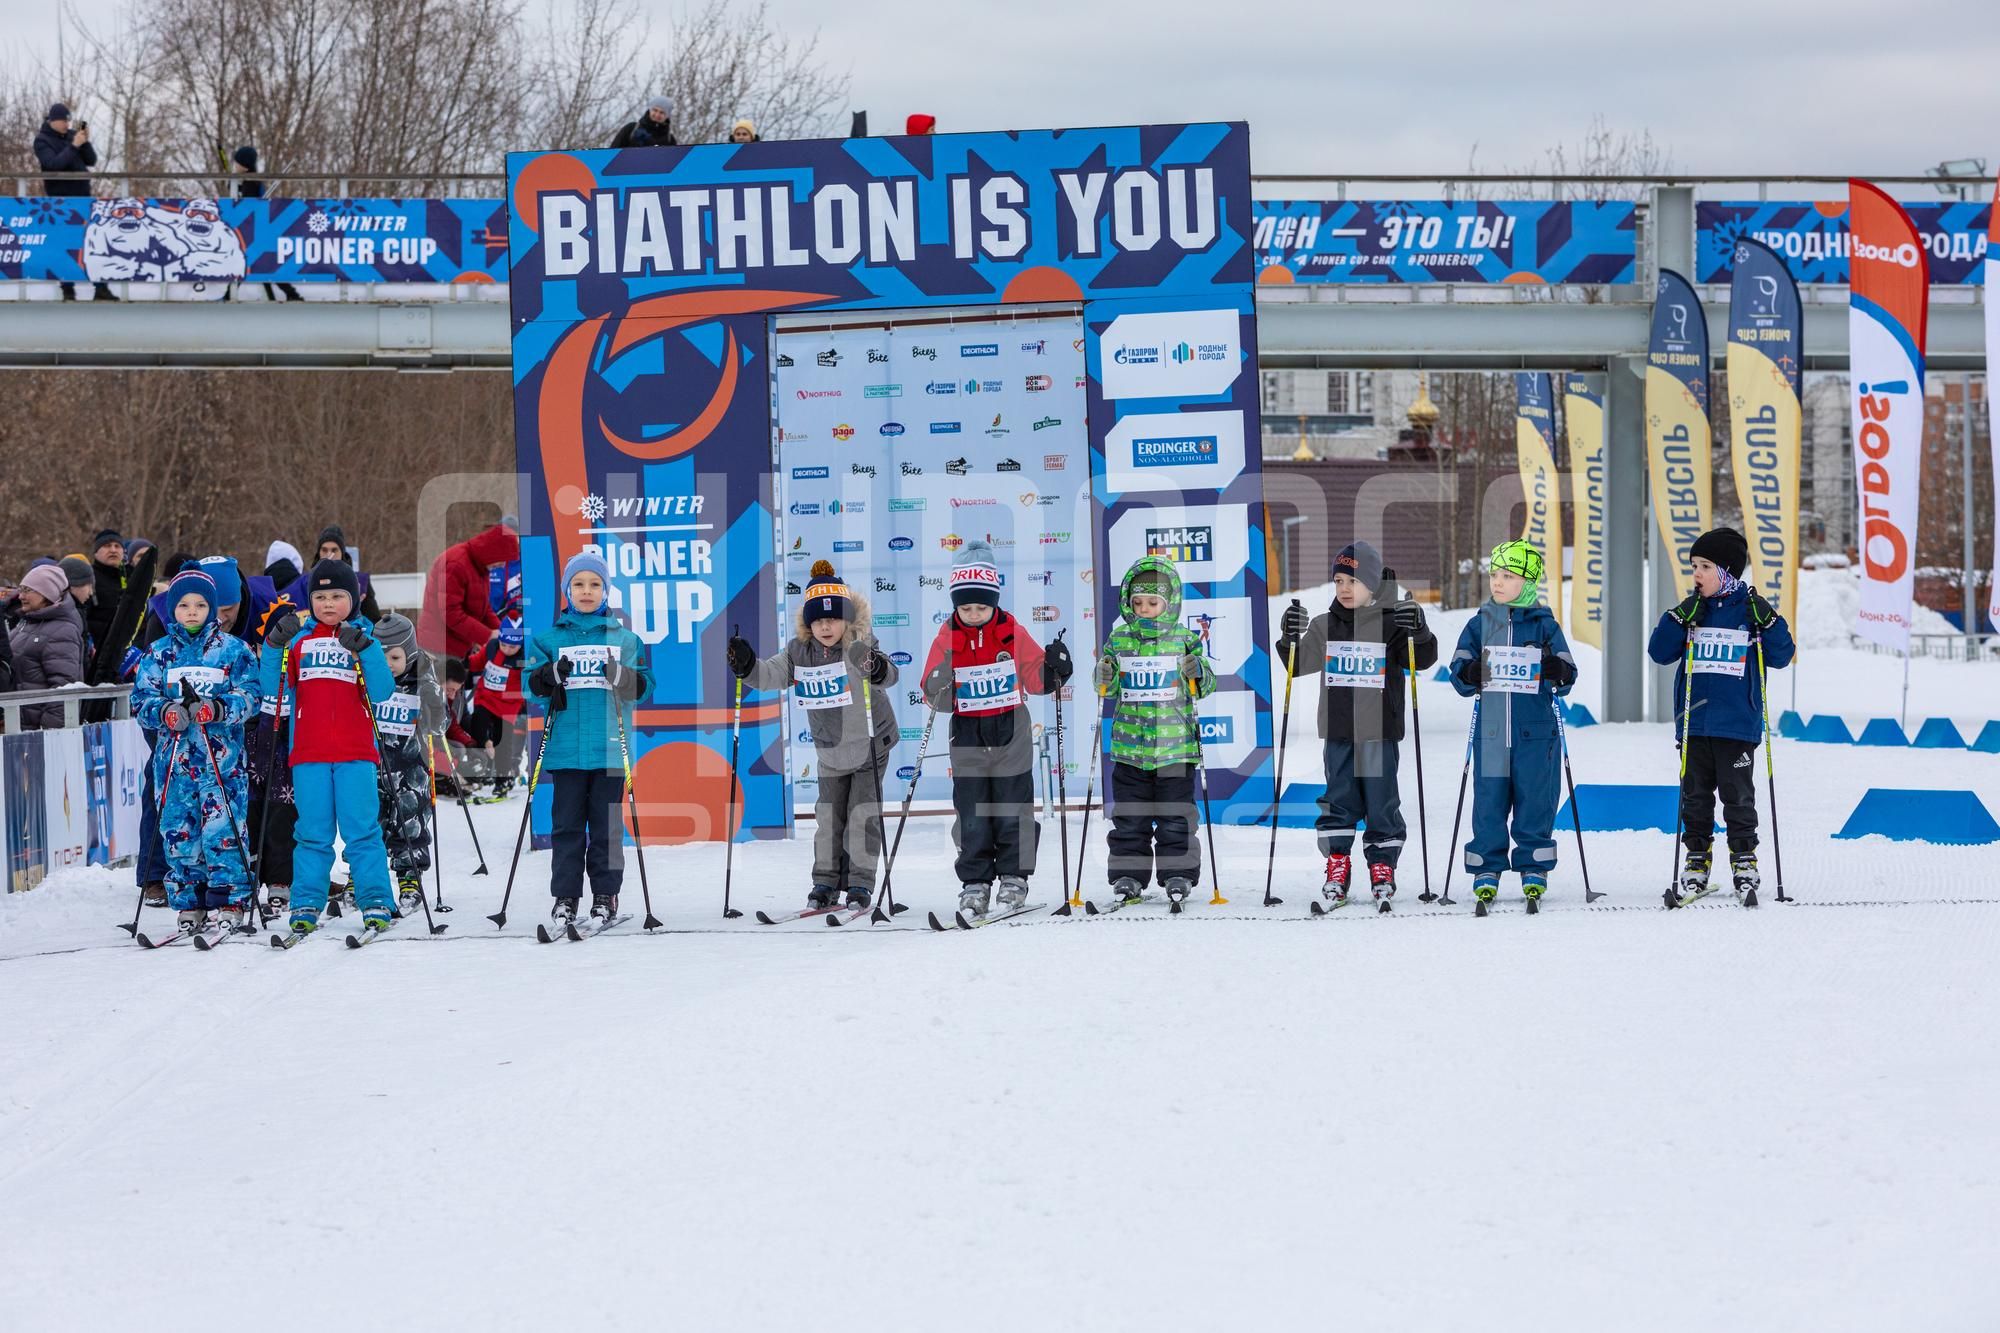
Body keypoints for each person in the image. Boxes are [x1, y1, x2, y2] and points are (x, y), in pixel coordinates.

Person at [1275, 540, 1438, 908]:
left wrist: (1419, 630)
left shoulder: (1393, 623)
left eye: (1352, 581)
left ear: (1373, 584)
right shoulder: (1324, 625)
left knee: (1382, 803)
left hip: (1380, 733)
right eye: (1338, 582)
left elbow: (1422, 660)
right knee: (1339, 801)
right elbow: (1296, 666)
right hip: (1339, 733)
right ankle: (1338, 865)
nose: (1344, 589)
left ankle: (1383, 867)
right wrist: (1288, 638)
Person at [727, 561, 896, 912]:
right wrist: (748, 666)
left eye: (833, 619)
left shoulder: (860, 643)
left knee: (862, 814)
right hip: (830, 749)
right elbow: (770, 674)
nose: (826, 626)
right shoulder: (798, 651)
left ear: (847, 619)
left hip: (869, 745)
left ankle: (860, 885)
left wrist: (877, 667)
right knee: (829, 818)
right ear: (808, 623)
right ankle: (825, 882)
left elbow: (889, 673)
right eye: (818, 620)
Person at [919, 540, 1072, 917]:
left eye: (981, 607)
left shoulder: (1011, 631)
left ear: (995, 602)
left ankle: (1014, 878)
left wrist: (1055, 668)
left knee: (1013, 806)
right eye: (966, 607)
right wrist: (938, 683)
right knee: (971, 809)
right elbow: (932, 693)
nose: (973, 614)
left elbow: (1037, 679)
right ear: (956, 604)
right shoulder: (947, 636)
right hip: (968, 731)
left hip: (1010, 730)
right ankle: (975, 882)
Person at [1646, 527, 1796, 904]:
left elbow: (1781, 656)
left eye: (1705, 566)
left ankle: (1744, 857)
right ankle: (1696, 858)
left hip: (1737, 725)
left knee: (1738, 796)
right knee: (1694, 797)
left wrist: (1771, 621)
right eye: (1694, 565)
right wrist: (1678, 617)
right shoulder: (1692, 613)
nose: (1696, 574)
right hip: (1695, 723)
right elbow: (1659, 652)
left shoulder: (1749, 613)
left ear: (1727, 571)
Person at [261, 559, 396, 938]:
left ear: (352, 599)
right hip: (309, 754)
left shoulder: (363, 636)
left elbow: (383, 691)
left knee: (362, 832)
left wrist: (366, 650)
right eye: (320, 597)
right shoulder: (299, 642)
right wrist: (274, 646)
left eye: (338, 596)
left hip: (355, 753)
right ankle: (305, 903)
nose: (329, 604)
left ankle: (375, 900)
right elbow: (271, 692)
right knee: (312, 833)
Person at [128, 566, 261, 936]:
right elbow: (141, 700)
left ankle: (231, 897)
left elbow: (251, 696)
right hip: (175, 764)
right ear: (172, 609)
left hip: (221, 763)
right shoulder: (158, 653)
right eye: (184, 605)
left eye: (200, 605)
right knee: (179, 832)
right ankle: (190, 900)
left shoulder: (234, 651)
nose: (191, 612)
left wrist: (217, 708)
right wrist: (166, 712)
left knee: (223, 831)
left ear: (213, 608)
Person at [522, 552, 652, 928]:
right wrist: (548, 675)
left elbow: (643, 687)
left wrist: (622, 676)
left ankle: (605, 895)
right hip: (565, 751)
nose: (586, 591)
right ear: (567, 591)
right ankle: (566, 897)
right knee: (566, 828)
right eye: (578, 584)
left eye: (595, 584)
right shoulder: (548, 639)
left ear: (607, 591)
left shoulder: (626, 640)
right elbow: (529, 687)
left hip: (611, 749)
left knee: (606, 828)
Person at [1446, 540, 1576, 913]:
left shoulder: (1545, 626)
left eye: (1508, 575)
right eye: (1495, 574)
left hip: (1536, 734)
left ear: (1529, 581)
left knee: (1536, 801)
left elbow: (1568, 677)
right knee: (1488, 803)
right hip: (1490, 733)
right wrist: (1469, 672)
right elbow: (1458, 675)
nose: (1497, 582)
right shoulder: (1479, 625)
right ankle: (1486, 867)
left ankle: (1534, 865)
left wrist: (1558, 670)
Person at [1091, 554, 1214, 908]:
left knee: (1176, 816)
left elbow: (1205, 685)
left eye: (1153, 602)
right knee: (1130, 818)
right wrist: (1103, 676)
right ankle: (1128, 875)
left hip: (1175, 750)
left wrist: (1197, 672)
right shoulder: (1119, 640)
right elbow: (1108, 688)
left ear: (1169, 603)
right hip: (1131, 750)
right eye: (1138, 602)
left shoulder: (1185, 639)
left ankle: (1179, 873)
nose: (1145, 608)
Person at [372, 612, 446, 914]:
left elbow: (439, 726)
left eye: (395, 657)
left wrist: (432, 701)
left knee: (409, 826)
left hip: (410, 770)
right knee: (369, 824)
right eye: (381, 657)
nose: (388, 664)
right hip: (372, 767)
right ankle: (361, 878)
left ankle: (409, 878)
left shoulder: (422, 681)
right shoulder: (369, 681)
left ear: (410, 654)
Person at [32, 103, 116, 301]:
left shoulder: (72, 136)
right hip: (59, 201)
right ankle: (67, 288)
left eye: (69, 120)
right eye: (64, 120)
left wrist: (84, 141)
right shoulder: (42, 140)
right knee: (65, 244)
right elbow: (53, 165)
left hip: (82, 197)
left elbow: (91, 160)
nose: (67, 124)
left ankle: (100, 287)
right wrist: (74, 146)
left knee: (92, 241)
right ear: (52, 120)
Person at [419, 520, 519, 664]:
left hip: (458, 645)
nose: (502, 566)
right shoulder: (456, 565)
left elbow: (483, 608)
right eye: (502, 561)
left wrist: (504, 630)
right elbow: (450, 613)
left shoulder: (480, 566)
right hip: (439, 648)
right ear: (493, 552)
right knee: (444, 686)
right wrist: (488, 635)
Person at [8, 563, 87, 728]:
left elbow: (64, 687)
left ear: (47, 593)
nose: (21, 596)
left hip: (34, 731)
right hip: (16, 723)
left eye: (28, 590)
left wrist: (49, 733)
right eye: (21, 589)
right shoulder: (26, 623)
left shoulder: (63, 630)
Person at [225, 145, 303, 303]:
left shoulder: (252, 182)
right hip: (251, 227)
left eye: (237, 162)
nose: (235, 165)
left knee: (254, 261)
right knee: (259, 262)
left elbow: (246, 204)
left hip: (255, 227)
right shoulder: (243, 181)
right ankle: (290, 293)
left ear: (244, 165)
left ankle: (229, 293)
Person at [464, 613, 526, 796]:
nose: (506, 649)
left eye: (512, 646)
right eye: (503, 644)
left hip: (508, 705)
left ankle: (503, 778)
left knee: (504, 742)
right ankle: (486, 748)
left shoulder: (523, 658)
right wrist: (465, 660)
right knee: (477, 724)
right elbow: (476, 663)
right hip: (486, 697)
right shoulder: (492, 647)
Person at [282, 525, 381, 622]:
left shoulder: (360, 581)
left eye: (334, 550)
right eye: (324, 550)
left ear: (342, 552)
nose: (329, 554)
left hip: (350, 634)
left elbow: (374, 619)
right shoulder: (305, 581)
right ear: (318, 553)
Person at [86, 529, 126, 650]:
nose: (113, 550)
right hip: (97, 648)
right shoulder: (88, 577)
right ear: (96, 552)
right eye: (107, 546)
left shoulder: (131, 576)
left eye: (117, 546)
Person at [609, 96, 675, 149]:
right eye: (655, 110)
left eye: (662, 112)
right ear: (650, 110)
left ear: (667, 116)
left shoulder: (670, 140)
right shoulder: (631, 129)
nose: (657, 114)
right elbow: (611, 153)